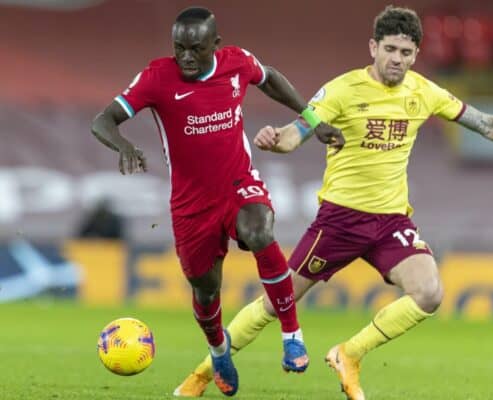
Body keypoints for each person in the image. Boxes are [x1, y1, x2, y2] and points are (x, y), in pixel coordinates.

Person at [174, 6, 493, 400]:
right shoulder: (342, 89)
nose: (397, 59)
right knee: (273, 304)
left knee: (429, 293)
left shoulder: (423, 91)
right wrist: (274, 140)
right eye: (390, 49)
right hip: (339, 221)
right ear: (373, 47)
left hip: (390, 221)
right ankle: (200, 375)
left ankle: (349, 354)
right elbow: (296, 132)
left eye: (406, 52)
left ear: (415, 55)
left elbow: (486, 124)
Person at [90, 6, 344, 397]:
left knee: (259, 230)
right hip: (191, 204)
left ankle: (292, 334)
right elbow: (102, 120)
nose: (187, 57)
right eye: (180, 48)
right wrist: (123, 145)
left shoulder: (237, 63)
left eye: (196, 48)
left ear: (216, 45)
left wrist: (311, 118)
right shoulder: (157, 77)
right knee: (206, 290)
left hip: (237, 183)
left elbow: (271, 78)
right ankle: (219, 349)